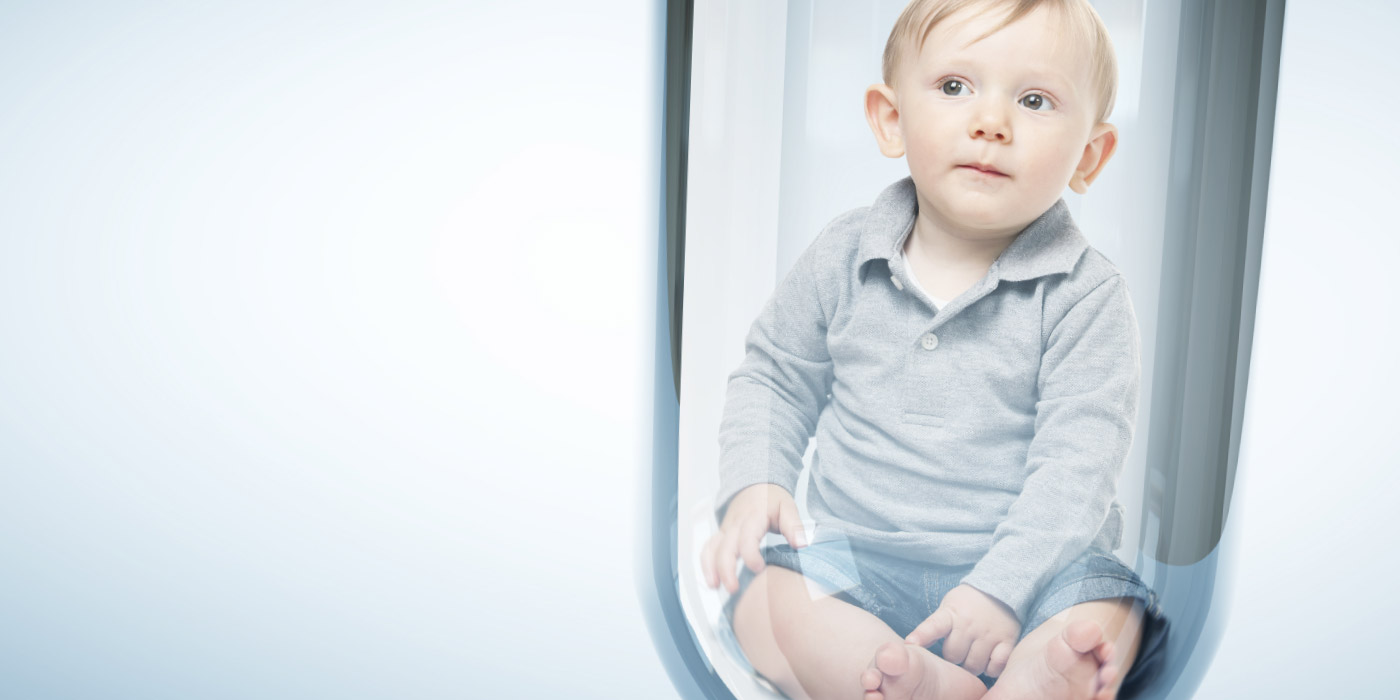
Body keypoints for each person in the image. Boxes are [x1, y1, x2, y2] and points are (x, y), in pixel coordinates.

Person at [698, 1, 1169, 699]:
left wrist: (1001, 588)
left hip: (1036, 577)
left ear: (1090, 156)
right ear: (891, 119)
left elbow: (1079, 466)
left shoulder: (1086, 294)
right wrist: (757, 480)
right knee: (765, 601)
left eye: (1034, 100)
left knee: (1107, 612)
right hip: (856, 565)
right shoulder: (843, 255)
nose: (991, 122)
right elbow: (774, 376)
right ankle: (906, 676)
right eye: (954, 86)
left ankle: (1036, 676)